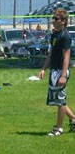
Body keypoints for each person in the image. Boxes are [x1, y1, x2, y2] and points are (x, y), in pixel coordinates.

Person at [38, 8, 75, 136]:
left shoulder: (65, 35)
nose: (52, 21)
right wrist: (43, 68)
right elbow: (51, 53)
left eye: (56, 19)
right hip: (54, 70)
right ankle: (73, 119)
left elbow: (67, 56)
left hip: (61, 71)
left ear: (64, 21)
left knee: (61, 101)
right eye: (53, 18)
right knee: (58, 100)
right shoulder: (54, 35)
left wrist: (63, 75)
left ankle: (58, 129)